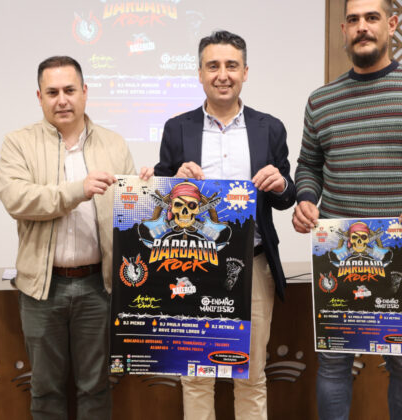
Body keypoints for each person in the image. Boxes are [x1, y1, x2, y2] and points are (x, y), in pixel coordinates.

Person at [292, 0, 402, 418]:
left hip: (401, 256)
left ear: (391, 24)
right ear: (343, 29)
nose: (362, 27)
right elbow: (309, 166)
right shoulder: (321, 101)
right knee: (333, 362)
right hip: (336, 256)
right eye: (353, 19)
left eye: (372, 18)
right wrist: (305, 198)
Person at [153, 30, 296, 420]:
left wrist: (281, 184)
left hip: (253, 263)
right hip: (191, 265)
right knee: (196, 375)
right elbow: (160, 198)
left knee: (250, 374)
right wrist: (172, 181)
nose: (222, 74)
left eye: (231, 65)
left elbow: (286, 197)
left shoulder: (270, 128)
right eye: (213, 66)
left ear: (245, 72)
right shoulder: (177, 128)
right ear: (200, 73)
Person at [0, 56, 146, 420]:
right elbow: (17, 199)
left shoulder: (114, 144)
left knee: (96, 387)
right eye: (52, 92)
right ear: (39, 97)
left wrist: (147, 190)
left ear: (84, 92)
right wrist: (78, 190)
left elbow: (134, 217)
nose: (62, 100)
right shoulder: (19, 143)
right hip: (43, 288)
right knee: (46, 389)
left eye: (69, 90)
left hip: (99, 286)